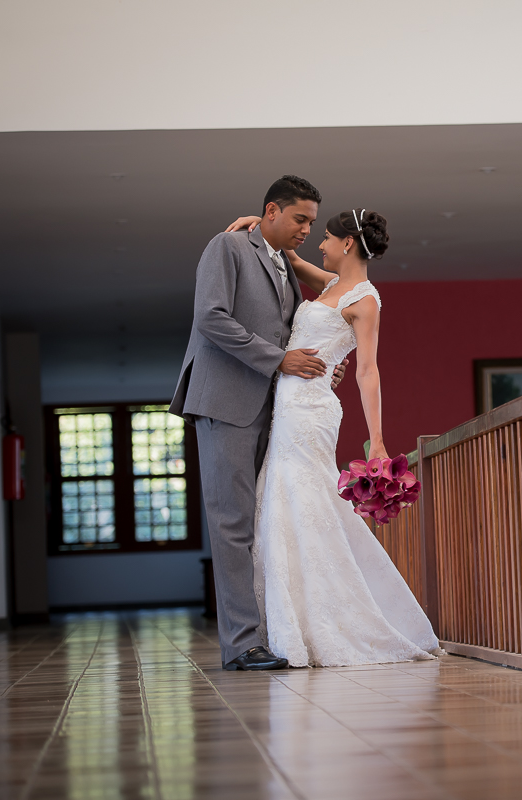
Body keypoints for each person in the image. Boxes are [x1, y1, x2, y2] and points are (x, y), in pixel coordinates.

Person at [225, 208, 441, 667]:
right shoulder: (330, 284)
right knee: (284, 501)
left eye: (325, 237)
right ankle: (294, 621)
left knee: (306, 501)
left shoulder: (365, 300)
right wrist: (258, 223)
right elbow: (288, 254)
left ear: (347, 243)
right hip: (286, 407)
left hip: (311, 412)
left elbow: (367, 371)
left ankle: (327, 621)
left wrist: (377, 441)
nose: (318, 243)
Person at [172, 175, 348, 671]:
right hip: (225, 402)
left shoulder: (283, 261)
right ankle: (241, 645)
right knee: (232, 523)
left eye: (312, 223)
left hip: (270, 408)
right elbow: (211, 317)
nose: (307, 230)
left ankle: (270, 633)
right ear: (272, 211)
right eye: (300, 219)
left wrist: (318, 365)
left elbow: (291, 326)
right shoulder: (226, 247)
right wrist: (280, 360)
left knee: (264, 521)